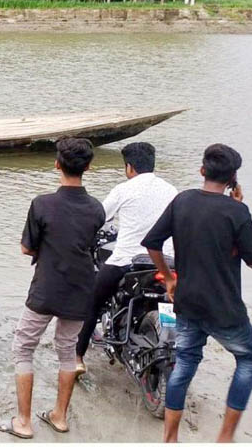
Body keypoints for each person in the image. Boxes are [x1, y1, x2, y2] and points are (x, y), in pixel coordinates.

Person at [143, 144, 252, 443]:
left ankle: (170, 438)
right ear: (233, 178)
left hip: (187, 301)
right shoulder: (236, 211)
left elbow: (153, 244)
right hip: (224, 308)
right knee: (250, 358)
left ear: (202, 170)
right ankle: (225, 437)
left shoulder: (182, 200)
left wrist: (170, 279)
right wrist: (237, 207)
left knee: (184, 362)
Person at [0, 138, 104, 440]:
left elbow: (27, 249)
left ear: (57, 164)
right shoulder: (96, 208)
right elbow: (88, 243)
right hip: (81, 287)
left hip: (46, 287)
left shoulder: (42, 204)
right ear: (89, 167)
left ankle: (24, 422)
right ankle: (59, 417)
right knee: (67, 350)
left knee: (23, 348)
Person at [75, 142, 177, 376]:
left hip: (127, 262)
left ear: (129, 167)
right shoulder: (172, 191)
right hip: (166, 263)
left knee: (92, 302)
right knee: (172, 306)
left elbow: (99, 217)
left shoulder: (123, 189)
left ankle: (78, 358)